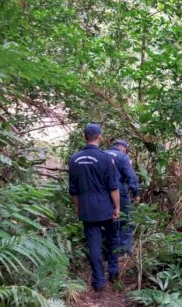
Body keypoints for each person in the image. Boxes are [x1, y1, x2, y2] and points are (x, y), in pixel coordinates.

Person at [68, 123, 120, 292]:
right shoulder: (106, 158)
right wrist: (117, 207)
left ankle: (99, 281)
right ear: (99, 137)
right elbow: (113, 187)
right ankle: (113, 272)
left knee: (94, 245)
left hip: (87, 209)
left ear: (84, 137)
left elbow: (73, 190)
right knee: (112, 240)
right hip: (106, 208)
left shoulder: (74, 159)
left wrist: (77, 207)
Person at [105, 139, 139, 254]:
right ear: (123, 148)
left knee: (108, 220)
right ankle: (124, 251)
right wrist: (136, 193)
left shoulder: (102, 154)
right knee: (126, 220)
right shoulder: (123, 157)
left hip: (104, 193)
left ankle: (109, 250)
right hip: (120, 192)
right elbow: (131, 176)